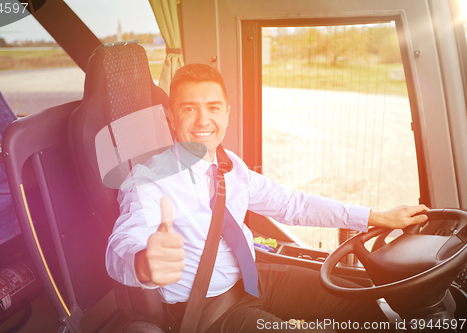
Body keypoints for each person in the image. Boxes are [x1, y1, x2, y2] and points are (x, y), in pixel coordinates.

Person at [105, 63, 429, 332]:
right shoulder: (149, 182)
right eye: (189, 109)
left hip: (253, 279)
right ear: (170, 117)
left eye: (213, 107)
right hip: (207, 311)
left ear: (227, 113)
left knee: (360, 302)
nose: (204, 121)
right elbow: (121, 245)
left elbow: (291, 204)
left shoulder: (230, 165)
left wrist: (376, 217)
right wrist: (143, 263)